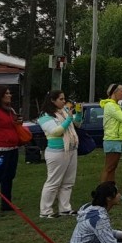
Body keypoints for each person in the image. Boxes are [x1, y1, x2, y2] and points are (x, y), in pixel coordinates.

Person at [38, 90, 82, 219]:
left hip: (71, 149)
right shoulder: (45, 116)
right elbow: (56, 131)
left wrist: (78, 113)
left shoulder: (63, 112)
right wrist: (69, 118)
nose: (64, 101)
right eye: (61, 99)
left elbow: (77, 124)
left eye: (64, 99)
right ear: (52, 100)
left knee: (68, 181)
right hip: (56, 152)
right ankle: (45, 211)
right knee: (53, 182)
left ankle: (65, 208)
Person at [100, 84, 122, 183]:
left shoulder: (115, 105)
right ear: (114, 92)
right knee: (109, 167)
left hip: (117, 139)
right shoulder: (110, 105)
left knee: (113, 167)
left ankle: (111, 189)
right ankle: (102, 191)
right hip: (112, 139)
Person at [0, 86, 22, 215]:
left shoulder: (10, 110)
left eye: (9, 93)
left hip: (13, 147)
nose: (10, 95)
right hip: (0, 148)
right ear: (0, 96)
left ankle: (7, 204)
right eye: (6, 94)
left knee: (9, 175)